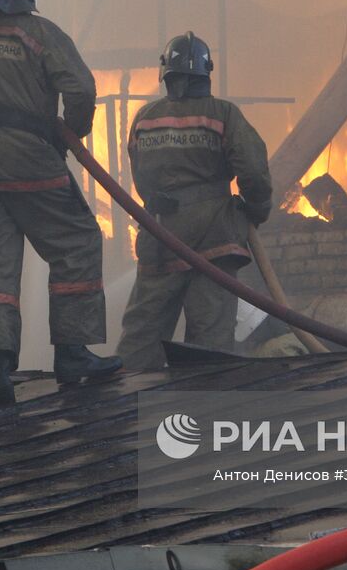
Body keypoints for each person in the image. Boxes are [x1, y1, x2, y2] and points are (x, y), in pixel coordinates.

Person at [0, 0, 121, 406]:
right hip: (26, 157)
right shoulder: (41, 33)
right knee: (77, 240)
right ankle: (73, 353)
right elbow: (80, 88)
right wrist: (71, 135)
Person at [116, 31, 272, 370]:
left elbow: (138, 172)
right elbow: (253, 170)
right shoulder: (223, 114)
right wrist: (256, 208)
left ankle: (125, 401)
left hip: (161, 233)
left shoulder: (145, 118)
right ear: (206, 73)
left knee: (143, 333)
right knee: (210, 334)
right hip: (214, 234)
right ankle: (203, 408)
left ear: (166, 75)